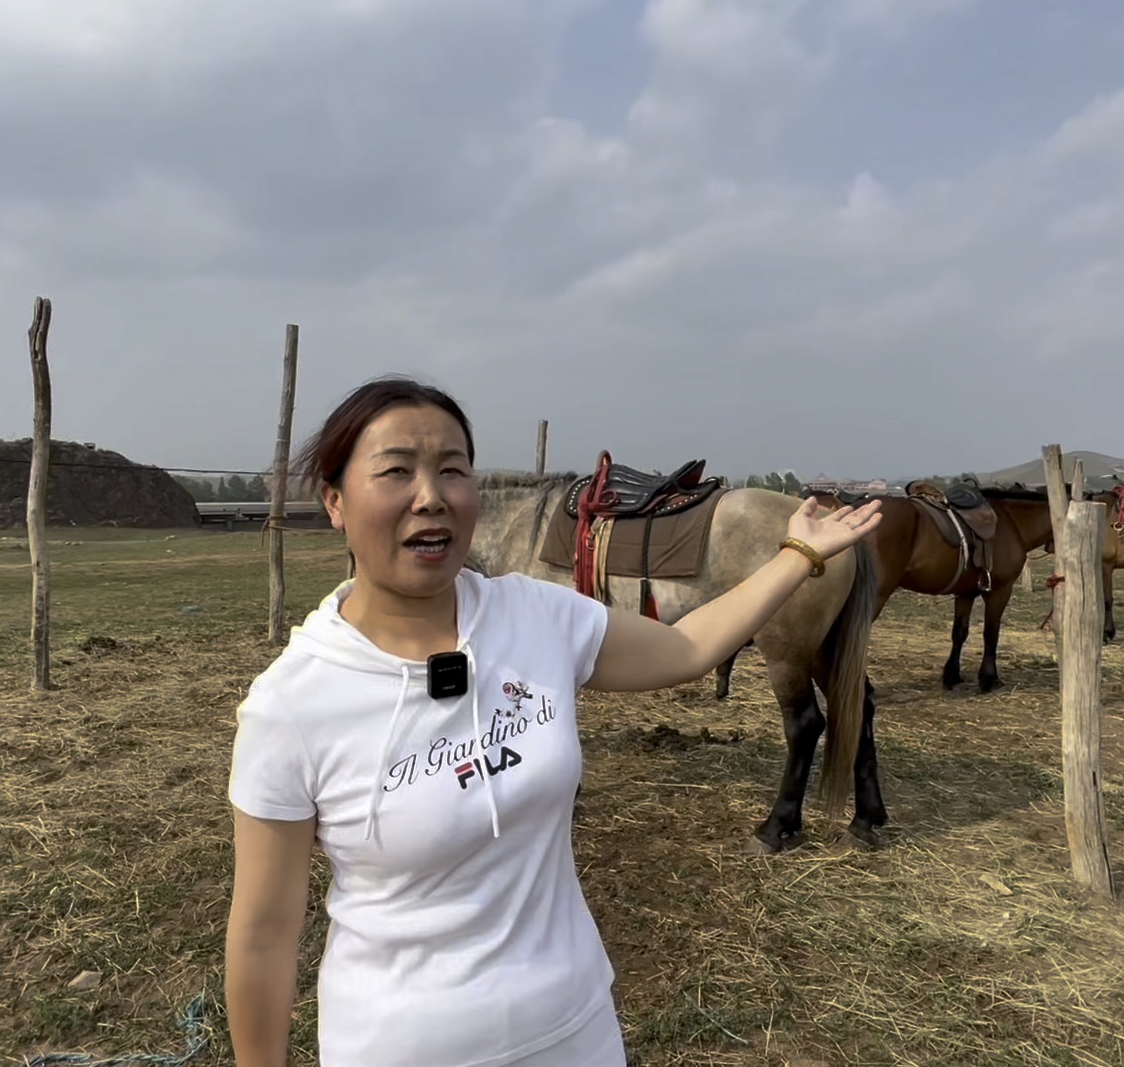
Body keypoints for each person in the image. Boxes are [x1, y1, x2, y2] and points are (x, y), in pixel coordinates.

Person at [223, 376, 881, 1067]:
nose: (431, 496)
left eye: (453, 469)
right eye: (395, 471)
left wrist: (795, 555)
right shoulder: (291, 705)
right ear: (334, 501)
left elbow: (688, 647)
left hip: (575, 1028)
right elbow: (264, 937)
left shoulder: (537, 615)